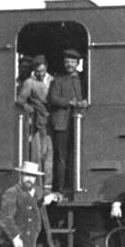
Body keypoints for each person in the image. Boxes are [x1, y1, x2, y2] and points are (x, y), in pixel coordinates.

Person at [48, 49, 88, 194]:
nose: (69, 65)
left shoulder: (84, 80)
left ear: (77, 63)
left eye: (72, 62)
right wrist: (69, 102)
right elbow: (53, 98)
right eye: (67, 62)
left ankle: (73, 186)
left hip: (79, 122)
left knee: (76, 155)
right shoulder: (58, 80)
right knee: (61, 157)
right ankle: (59, 188)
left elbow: (87, 96)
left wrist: (85, 102)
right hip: (62, 123)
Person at [17, 54, 54, 190]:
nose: (40, 74)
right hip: (39, 121)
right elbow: (20, 100)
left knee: (50, 153)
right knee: (38, 153)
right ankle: (38, 184)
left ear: (46, 69)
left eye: (42, 71)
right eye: (38, 71)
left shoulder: (52, 80)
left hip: (53, 121)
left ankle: (48, 184)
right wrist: (29, 108)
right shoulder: (29, 83)